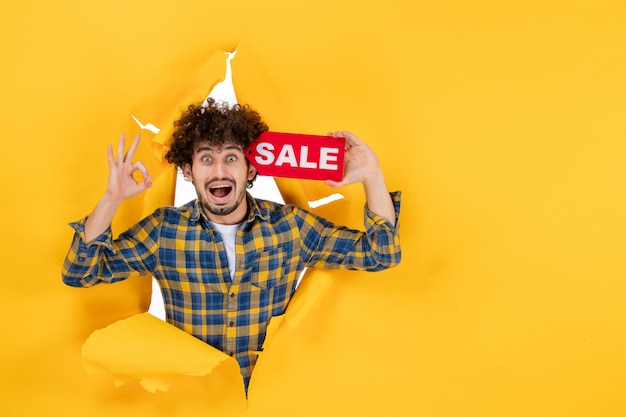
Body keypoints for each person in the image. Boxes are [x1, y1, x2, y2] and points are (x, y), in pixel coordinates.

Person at [62, 98, 402, 392]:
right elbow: (80, 272)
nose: (219, 170)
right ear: (188, 170)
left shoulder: (290, 227)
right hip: (193, 401)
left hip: (273, 398)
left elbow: (380, 253)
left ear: (251, 168)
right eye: (206, 159)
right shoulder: (164, 231)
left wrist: (372, 176)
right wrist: (111, 200)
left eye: (231, 158)